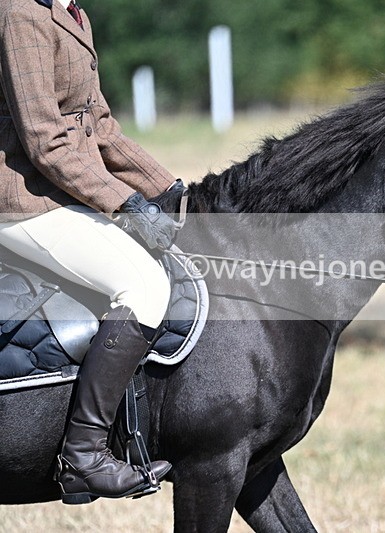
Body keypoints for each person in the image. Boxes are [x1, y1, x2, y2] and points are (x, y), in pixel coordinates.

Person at [0, 0, 178, 503]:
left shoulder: (72, 12)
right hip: (23, 200)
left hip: (60, 191)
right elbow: (45, 141)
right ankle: (83, 457)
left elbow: (99, 125)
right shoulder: (21, 12)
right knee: (144, 286)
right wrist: (125, 202)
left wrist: (167, 188)